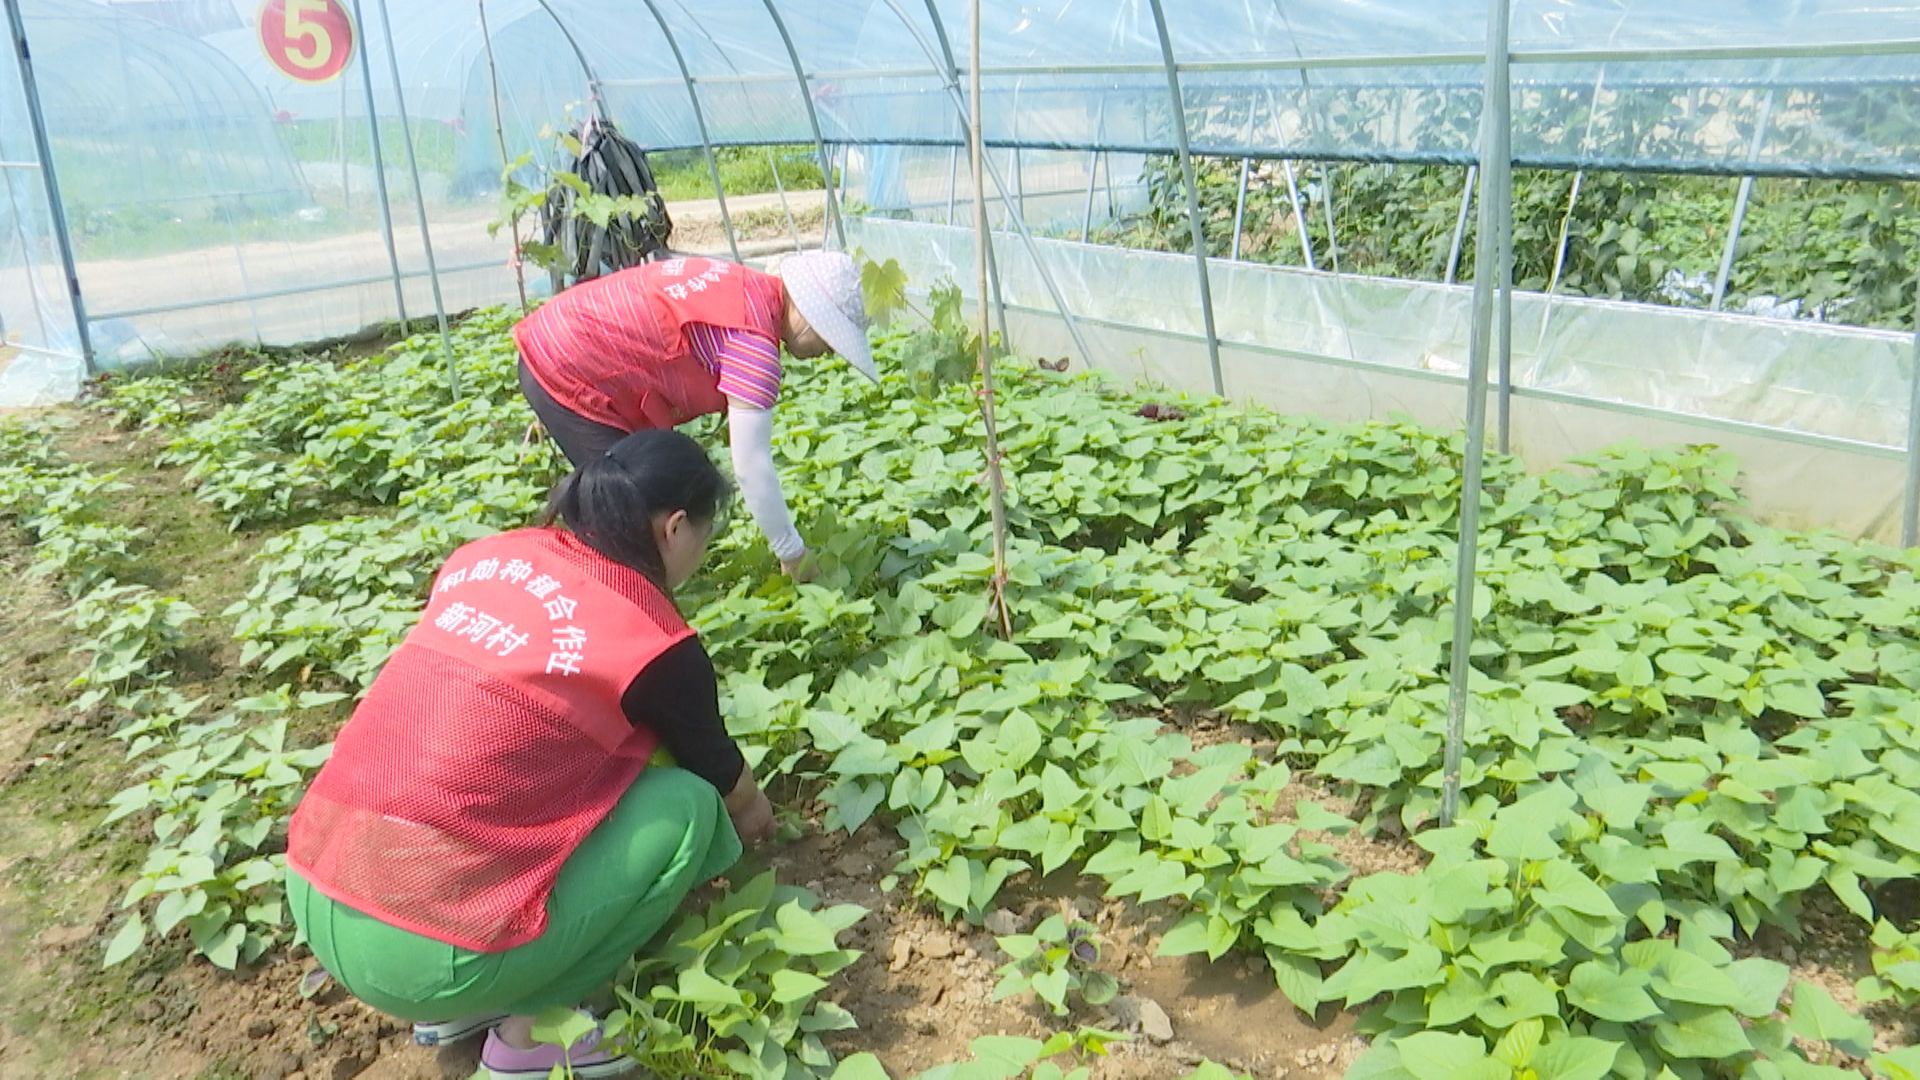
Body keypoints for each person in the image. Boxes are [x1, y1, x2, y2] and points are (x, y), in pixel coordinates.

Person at [285, 429, 774, 1080]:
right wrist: (763, 823)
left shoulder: (484, 558)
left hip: (318, 877)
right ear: (676, 527)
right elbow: (724, 782)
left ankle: (474, 999)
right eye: (705, 540)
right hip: (423, 957)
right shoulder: (652, 638)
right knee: (685, 808)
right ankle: (533, 1028)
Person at [512, 251, 877, 583]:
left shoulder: (743, 285)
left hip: (561, 335)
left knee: (641, 498)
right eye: (831, 338)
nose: (829, 351)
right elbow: (751, 465)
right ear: (809, 315)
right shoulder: (754, 345)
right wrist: (792, 554)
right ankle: (614, 605)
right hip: (565, 366)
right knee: (626, 513)